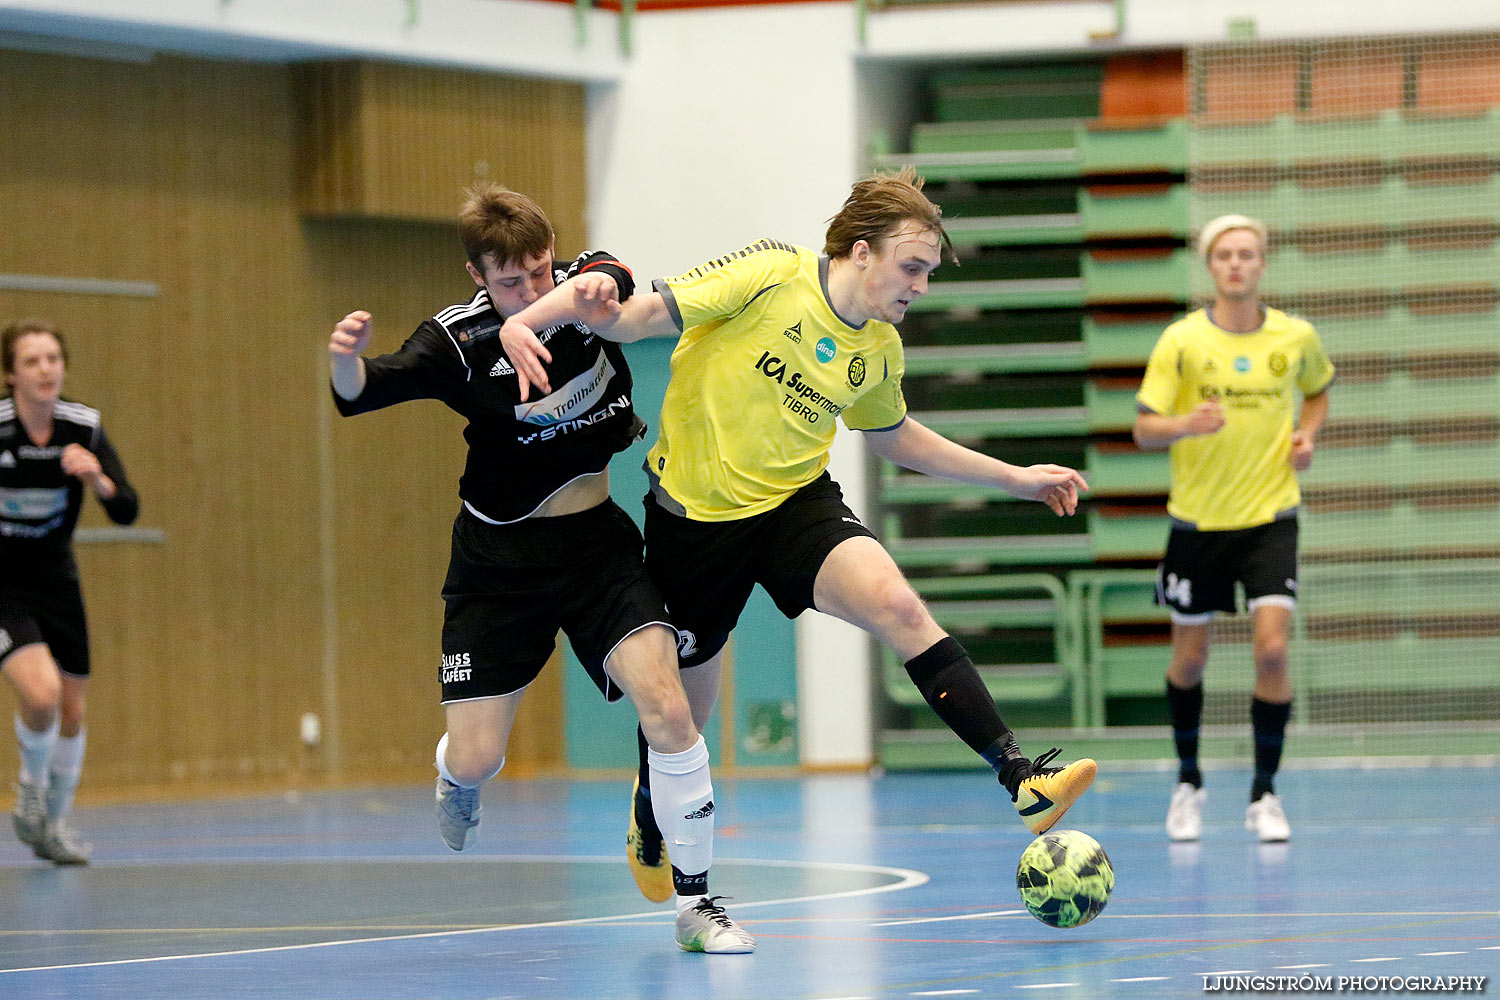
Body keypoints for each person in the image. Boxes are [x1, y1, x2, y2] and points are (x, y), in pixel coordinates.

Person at [496, 168, 1100, 896]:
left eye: (930, 273)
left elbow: (894, 436)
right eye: (913, 268)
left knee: (901, 608)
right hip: (697, 523)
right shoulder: (769, 274)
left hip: (795, 508)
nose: (921, 286)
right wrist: (569, 312)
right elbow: (637, 320)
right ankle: (651, 817)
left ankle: (1023, 777)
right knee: (682, 718)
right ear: (862, 252)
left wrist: (1015, 477)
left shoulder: (878, 347)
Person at [327, 184, 752, 954]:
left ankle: (696, 906)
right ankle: (455, 777)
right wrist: (345, 363)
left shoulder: (582, 289)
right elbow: (366, 392)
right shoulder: (458, 342)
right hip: (498, 565)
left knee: (669, 707)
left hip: (597, 549)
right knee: (480, 755)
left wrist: (577, 293)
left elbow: (610, 278)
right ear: (477, 274)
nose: (529, 289)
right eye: (509, 281)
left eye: (540, 270)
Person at [1132, 214, 1334, 844]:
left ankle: (1264, 793)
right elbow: (1142, 428)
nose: (1237, 264)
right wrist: (1184, 425)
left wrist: (1308, 435)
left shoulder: (1296, 337)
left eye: (1248, 254)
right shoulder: (1182, 342)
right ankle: (1188, 782)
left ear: (1262, 264)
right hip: (1197, 523)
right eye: (1225, 255)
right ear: (1211, 265)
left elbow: (1319, 390)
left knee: (1272, 649)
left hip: (1271, 517)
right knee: (1190, 661)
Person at [3, 318, 139, 866]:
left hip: (56, 578)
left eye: (53, 359)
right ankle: (30, 789)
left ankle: (53, 828)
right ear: (11, 374)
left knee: (73, 711)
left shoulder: (82, 427)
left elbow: (127, 508)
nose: (45, 370)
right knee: (41, 696)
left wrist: (96, 480)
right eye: (32, 361)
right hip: (3, 582)